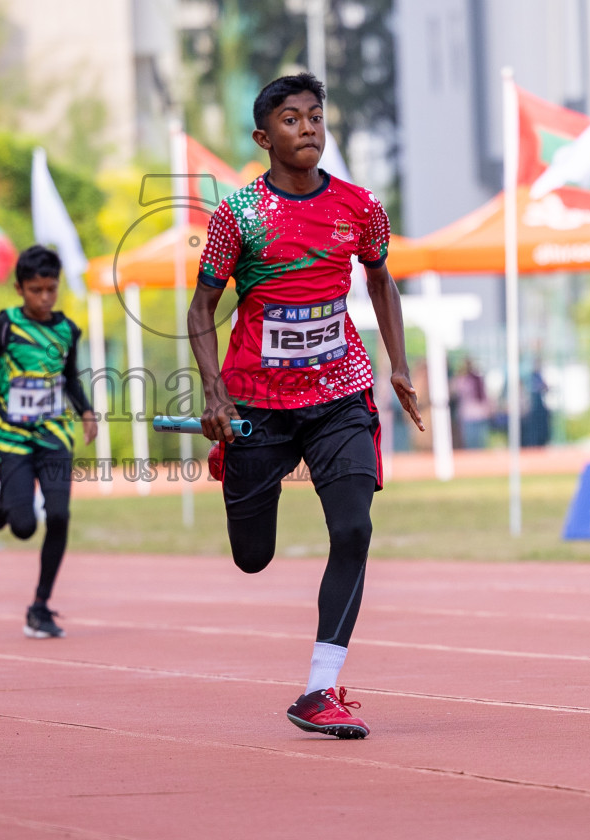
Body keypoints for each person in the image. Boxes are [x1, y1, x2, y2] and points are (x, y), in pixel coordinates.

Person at [187, 73, 424, 740]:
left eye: (316, 116)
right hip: (257, 403)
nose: (309, 128)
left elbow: (381, 280)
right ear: (265, 138)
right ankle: (231, 458)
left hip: (340, 393)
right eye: (291, 120)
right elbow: (201, 306)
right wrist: (213, 392)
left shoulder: (359, 206)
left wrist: (397, 365)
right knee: (252, 557)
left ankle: (320, 688)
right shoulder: (239, 216)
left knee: (353, 529)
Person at [0, 245, 97, 639]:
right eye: (36, 290)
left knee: (59, 516)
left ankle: (39, 606)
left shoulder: (67, 329)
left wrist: (85, 410)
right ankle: (3, 501)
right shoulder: (7, 326)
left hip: (54, 436)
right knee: (22, 527)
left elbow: (68, 377)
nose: (44, 298)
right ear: (20, 288)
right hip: (12, 437)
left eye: (51, 289)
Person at [452, 357, 490, 450]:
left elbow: (454, 391)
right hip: (479, 413)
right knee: (479, 442)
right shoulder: (477, 380)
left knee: (471, 443)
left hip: (470, 415)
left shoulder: (463, 380)